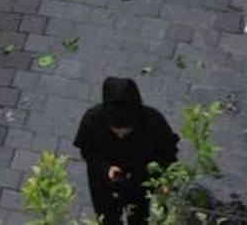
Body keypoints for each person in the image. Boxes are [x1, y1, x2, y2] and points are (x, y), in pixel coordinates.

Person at [73, 76, 179, 225]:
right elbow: (88, 152)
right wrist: (105, 168)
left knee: (140, 218)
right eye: (115, 131)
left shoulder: (153, 121)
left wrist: (165, 180)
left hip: (142, 183)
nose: (121, 135)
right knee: (107, 219)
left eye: (126, 130)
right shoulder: (92, 120)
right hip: (105, 185)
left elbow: (168, 151)